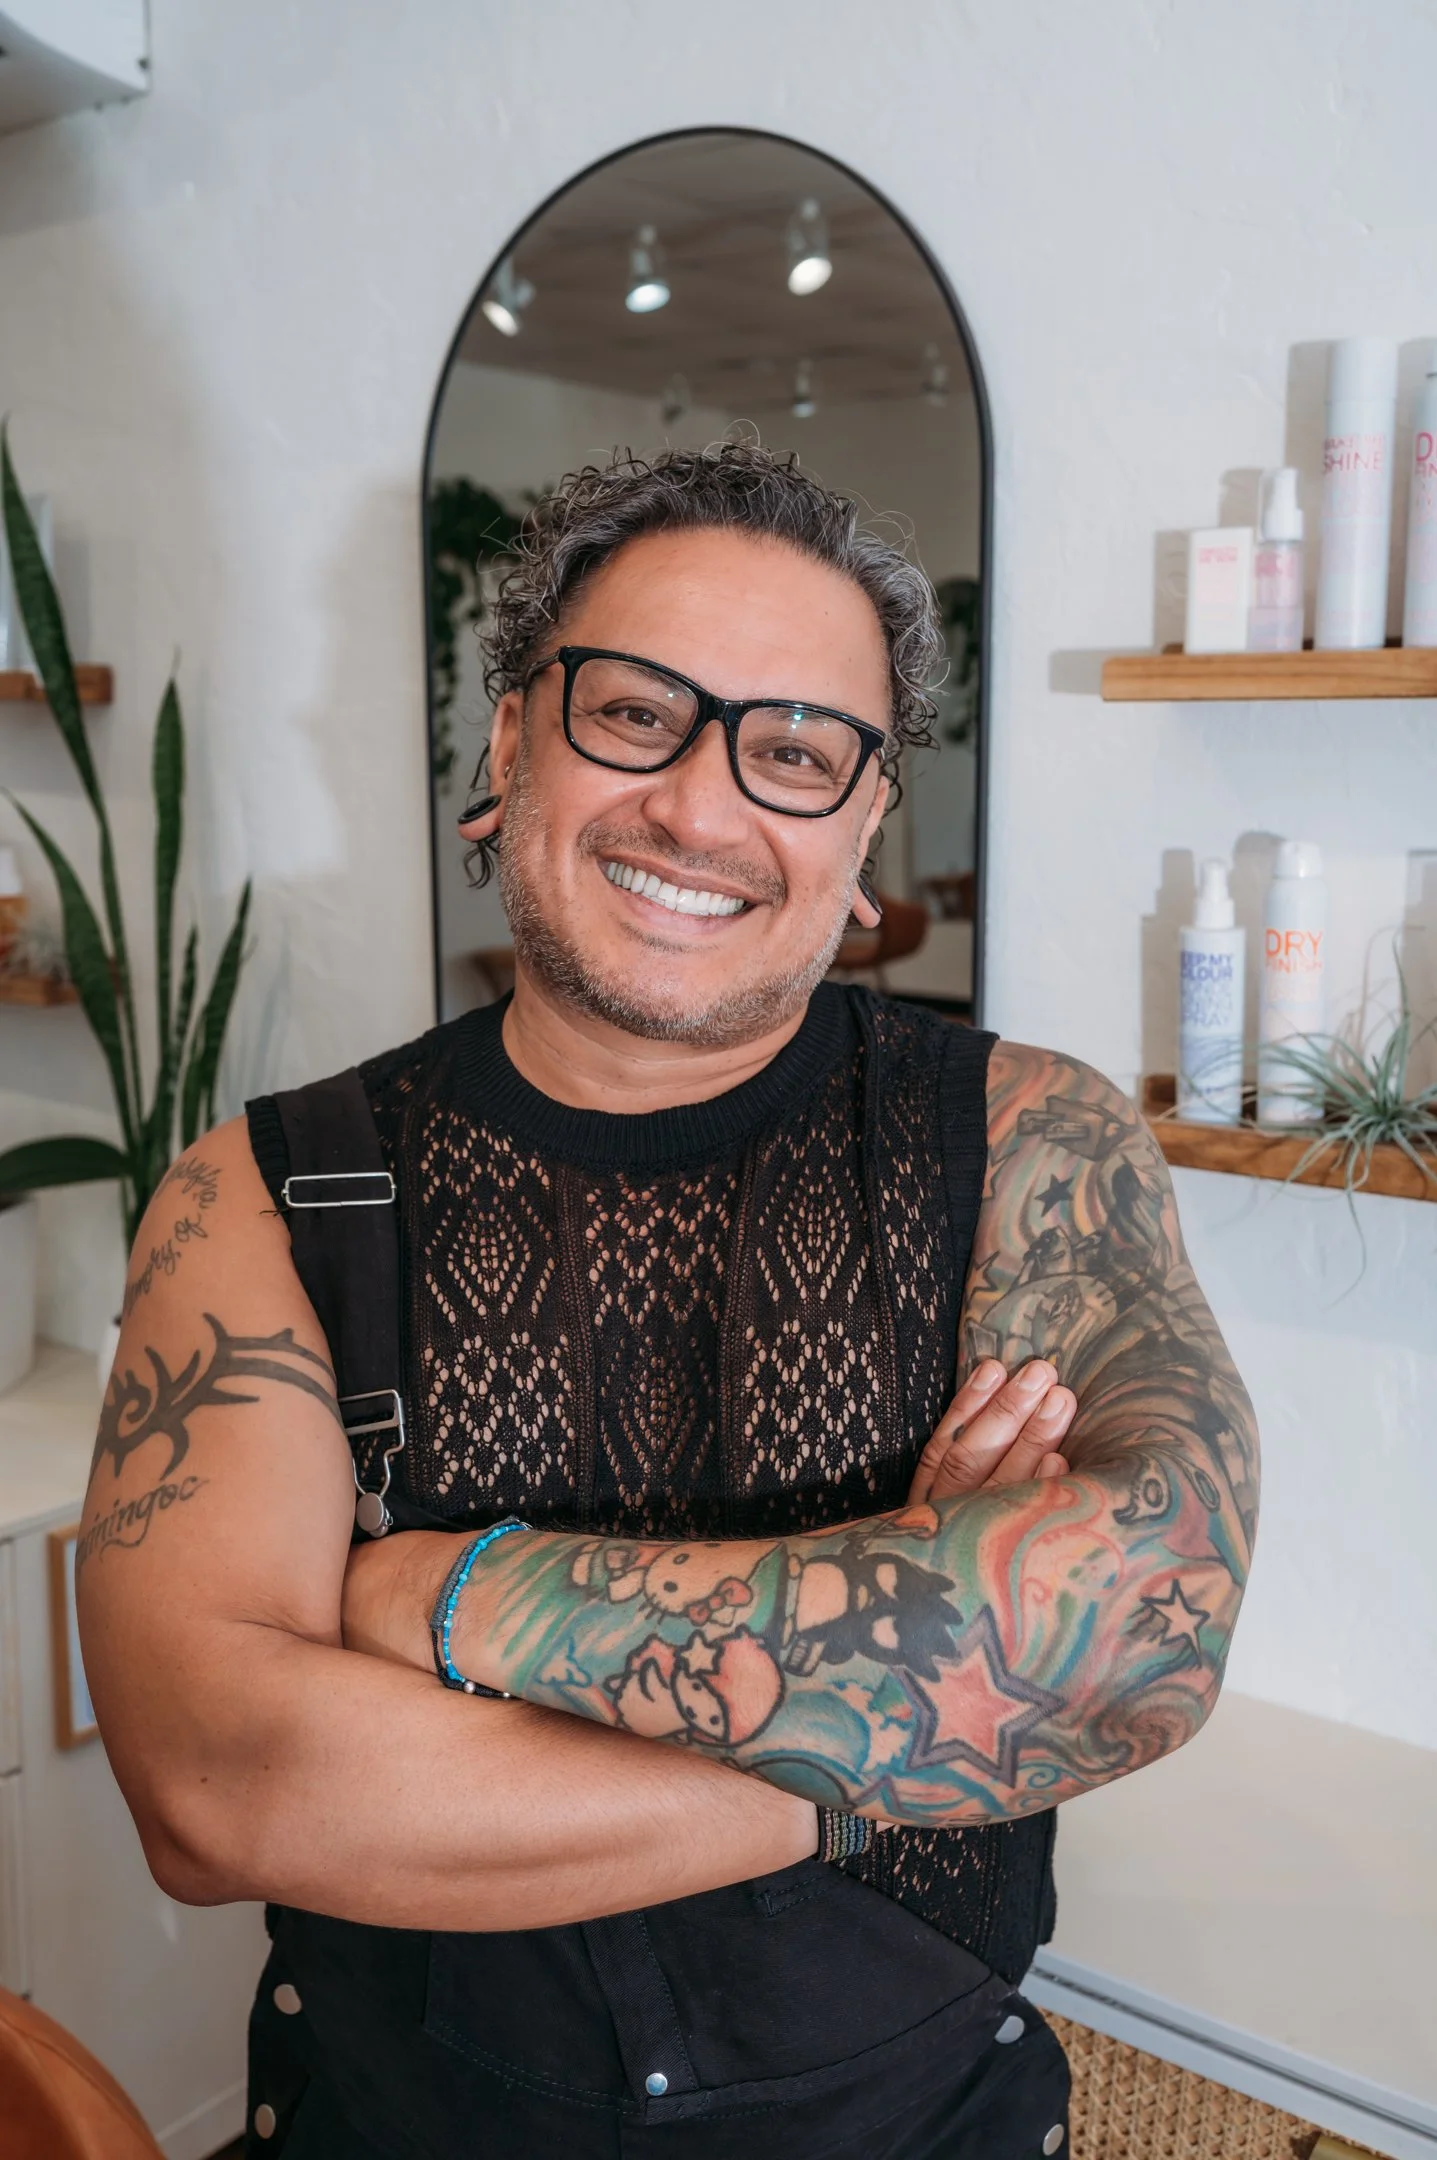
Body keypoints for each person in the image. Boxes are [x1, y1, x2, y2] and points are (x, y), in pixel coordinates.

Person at [77, 442, 1258, 2160]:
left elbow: (1148, 1629)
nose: (701, 810)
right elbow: (220, 1786)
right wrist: (923, 1702)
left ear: (864, 833)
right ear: (510, 744)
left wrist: (449, 1598)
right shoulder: (261, 1199)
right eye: (636, 712)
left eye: (793, 752)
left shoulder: (1026, 1142)